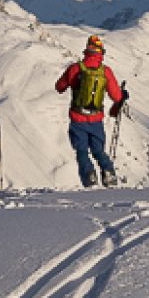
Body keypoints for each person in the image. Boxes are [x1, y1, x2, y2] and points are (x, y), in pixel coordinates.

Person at [54, 34, 126, 186]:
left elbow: (59, 87)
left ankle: (89, 176)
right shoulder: (105, 72)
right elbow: (116, 96)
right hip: (96, 119)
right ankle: (108, 173)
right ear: (101, 52)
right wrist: (123, 94)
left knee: (81, 151)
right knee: (98, 150)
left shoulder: (75, 69)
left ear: (87, 49)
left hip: (77, 118)